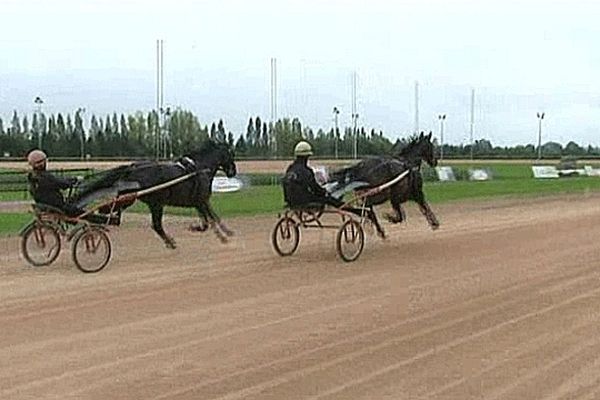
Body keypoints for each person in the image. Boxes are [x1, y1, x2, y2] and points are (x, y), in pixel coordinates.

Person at [26, 149, 118, 225]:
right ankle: (109, 220)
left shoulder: (34, 177)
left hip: (50, 204)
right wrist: (75, 180)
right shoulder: (45, 177)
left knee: (78, 207)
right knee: (84, 214)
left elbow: (59, 181)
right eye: (44, 161)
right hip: (59, 206)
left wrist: (72, 180)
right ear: (41, 163)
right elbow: (62, 183)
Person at [282, 141, 344, 209]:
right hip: (304, 201)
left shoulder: (290, 168)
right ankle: (347, 207)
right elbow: (315, 188)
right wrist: (324, 191)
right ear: (307, 156)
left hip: (291, 201)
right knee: (328, 199)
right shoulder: (306, 171)